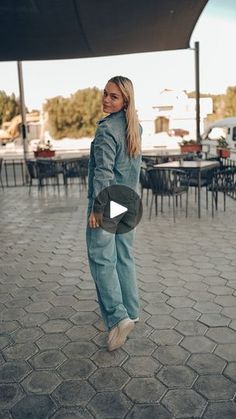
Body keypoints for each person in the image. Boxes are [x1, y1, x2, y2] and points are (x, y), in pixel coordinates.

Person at [86, 76, 142, 351]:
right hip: (129, 200)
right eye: (105, 94)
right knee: (124, 257)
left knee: (101, 259)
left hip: (108, 202)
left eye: (113, 96)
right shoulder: (135, 126)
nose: (106, 99)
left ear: (125, 101)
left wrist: (97, 208)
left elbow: (104, 172)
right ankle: (132, 312)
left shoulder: (106, 129)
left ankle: (119, 318)